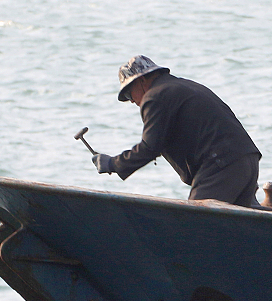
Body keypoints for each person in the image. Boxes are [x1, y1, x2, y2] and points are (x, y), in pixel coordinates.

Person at [91, 55, 262, 207]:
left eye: (129, 94)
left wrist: (114, 163)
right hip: (248, 159)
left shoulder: (155, 96)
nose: (131, 101)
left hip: (222, 164)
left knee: (196, 223)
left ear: (141, 81)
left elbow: (150, 147)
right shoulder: (183, 87)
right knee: (236, 228)